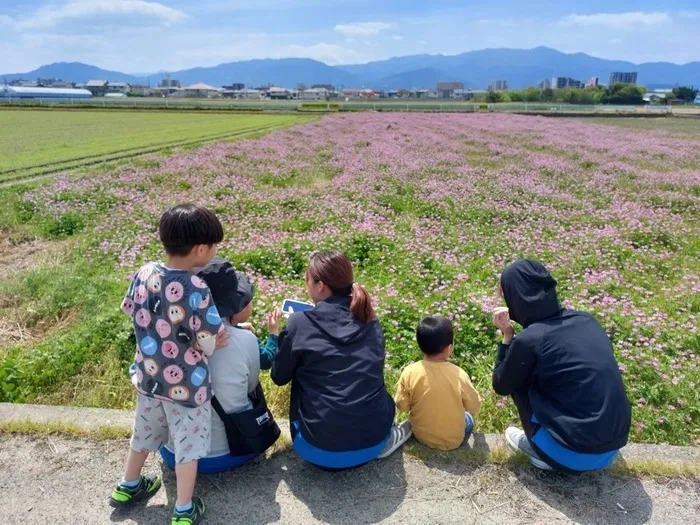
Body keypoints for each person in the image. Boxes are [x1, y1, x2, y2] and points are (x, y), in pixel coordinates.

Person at [109, 203, 227, 525]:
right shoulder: (197, 289)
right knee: (188, 446)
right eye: (214, 246)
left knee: (143, 432)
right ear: (200, 249)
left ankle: (128, 485)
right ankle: (184, 508)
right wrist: (213, 341)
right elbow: (207, 342)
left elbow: (131, 310)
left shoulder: (144, 272)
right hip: (187, 386)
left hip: (149, 377)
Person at [271, 250, 411, 470]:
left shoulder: (299, 323)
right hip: (373, 442)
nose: (306, 285)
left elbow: (279, 377)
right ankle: (390, 435)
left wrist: (282, 337)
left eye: (307, 280)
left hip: (315, 448)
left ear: (320, 286)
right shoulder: (370, 320)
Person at [492, 259, 631, 472]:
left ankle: (538, 447)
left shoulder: (530, 340)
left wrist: (507, 337)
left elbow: (501, 384)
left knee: (517, 378)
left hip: (569, 456)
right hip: (611, 448)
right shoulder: (586, 320)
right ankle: (560, 441)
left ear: (516, 297)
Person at [159, 258, 282, 473]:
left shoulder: (170, 335)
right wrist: (269, 335)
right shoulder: (244, 340)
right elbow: (251, 386)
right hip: (229, 452)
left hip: (172, 452)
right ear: (234, 308)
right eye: (246, 299)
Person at [394, 316, 482, 450]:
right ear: (449, 347)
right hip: (454, 441)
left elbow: (402, 406)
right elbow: (475, 406)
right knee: (469, 417)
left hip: (421, 436)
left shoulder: (410, 372)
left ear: (419, 344)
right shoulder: (459, 374)